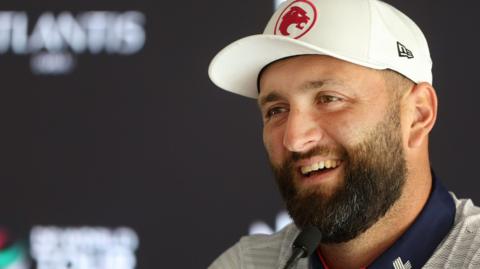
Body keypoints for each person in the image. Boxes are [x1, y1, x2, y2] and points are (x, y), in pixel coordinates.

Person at [207, 0, 480, 268]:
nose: (294, 139)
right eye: (277, 110)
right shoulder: (246, 264)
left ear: (417, 115)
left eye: (328, 98)